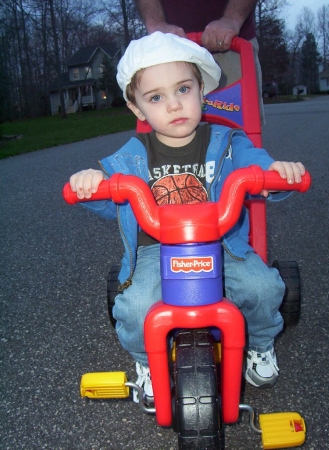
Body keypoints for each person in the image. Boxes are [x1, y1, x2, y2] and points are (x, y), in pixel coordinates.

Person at [69, 33, 305, 401]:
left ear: (202, 91)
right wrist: (92, 184)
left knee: (263, 288)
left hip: (222, 245)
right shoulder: (133, 155)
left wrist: (275, 173)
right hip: (154, 250)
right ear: (138, 109)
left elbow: (255, 166)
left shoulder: (228, 141)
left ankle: (259, 345)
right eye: (156, 97)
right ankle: (147, 361)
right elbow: (113, 201)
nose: (174, 105)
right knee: (133, 308)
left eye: (183, 89)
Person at [133, 0, 265, 123]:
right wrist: (155, 23)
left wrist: (232, 19)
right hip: (167, 50)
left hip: (232, 43)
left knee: (241, 128)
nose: (175, 106)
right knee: (163, 129)